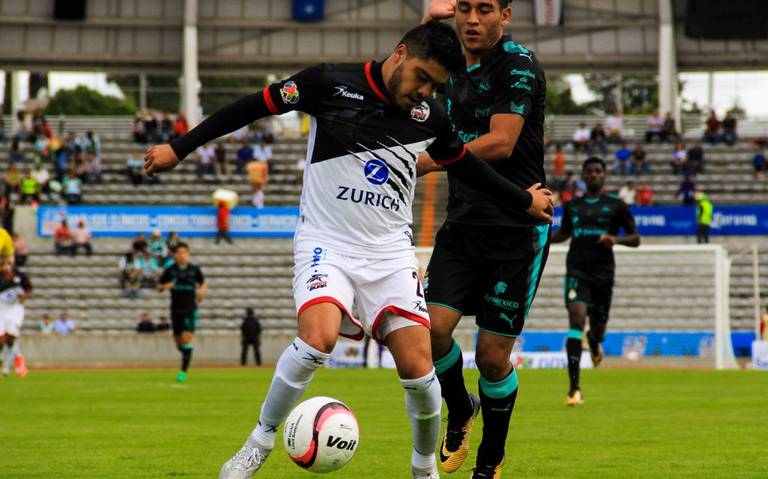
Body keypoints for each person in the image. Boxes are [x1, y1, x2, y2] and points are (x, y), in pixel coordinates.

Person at [144, 20, 552, 479]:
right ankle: (257, 444)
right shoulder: (327, 83)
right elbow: (249, 108)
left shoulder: (431, 118)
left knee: (420, 372)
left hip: (389, 253)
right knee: (317, 340)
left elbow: (469, 167)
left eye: (435, 86)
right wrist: (179, 147)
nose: (424, 91)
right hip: (327, 241)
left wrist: (524, 199)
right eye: (422, 77)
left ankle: (423, 471)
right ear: (399, 54)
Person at [419, 2, 552, 477]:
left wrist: (432, 160)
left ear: (505, 15)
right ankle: (461, 408)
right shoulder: (452, 63)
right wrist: (426, 20)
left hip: (517, 228)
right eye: (466, 9)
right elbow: (406, 67)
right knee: (430, 332)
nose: (473, 20)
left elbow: (502, 141)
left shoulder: (518, 65)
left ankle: (489, 461)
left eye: (484, 9)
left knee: (492, 359)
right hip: (463, 225)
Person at [550, 157, 639, 405]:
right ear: (583, 175)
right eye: (589, 171)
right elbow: (565, 233)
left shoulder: (616, 206)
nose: (594, 175)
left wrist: (615, 239)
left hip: (603, 275)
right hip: (577, 271)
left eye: (598, 171)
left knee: (597, 329)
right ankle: (574, 389)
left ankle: (596, 342)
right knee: (576, 320)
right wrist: (544, 239)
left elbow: (636, 238)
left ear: (604, 175)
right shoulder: (572, 206)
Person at [157, 243, 207, 383]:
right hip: (175, 309)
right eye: (179, 252)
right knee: (179, 343)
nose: (182, 255)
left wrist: (202, 291)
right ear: (175, 255)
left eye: (185, 252)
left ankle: (183, 372)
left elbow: (203, 283)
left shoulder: (194, 269)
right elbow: (158, 286)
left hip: (190, 308)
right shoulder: (170, 270)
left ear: (188, 254)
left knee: (186, 338)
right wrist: (165, 286)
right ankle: (187, 355)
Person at [0, 260, 32, 378]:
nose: (5, 267)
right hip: (1, 309)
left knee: (11, 338)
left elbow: (29, 288)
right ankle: (15, 358)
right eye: (3, 265)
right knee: (2, 340)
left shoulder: (20, 276)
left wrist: (24, 296)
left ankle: (12, 364)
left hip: (15, 309)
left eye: (7, 265)